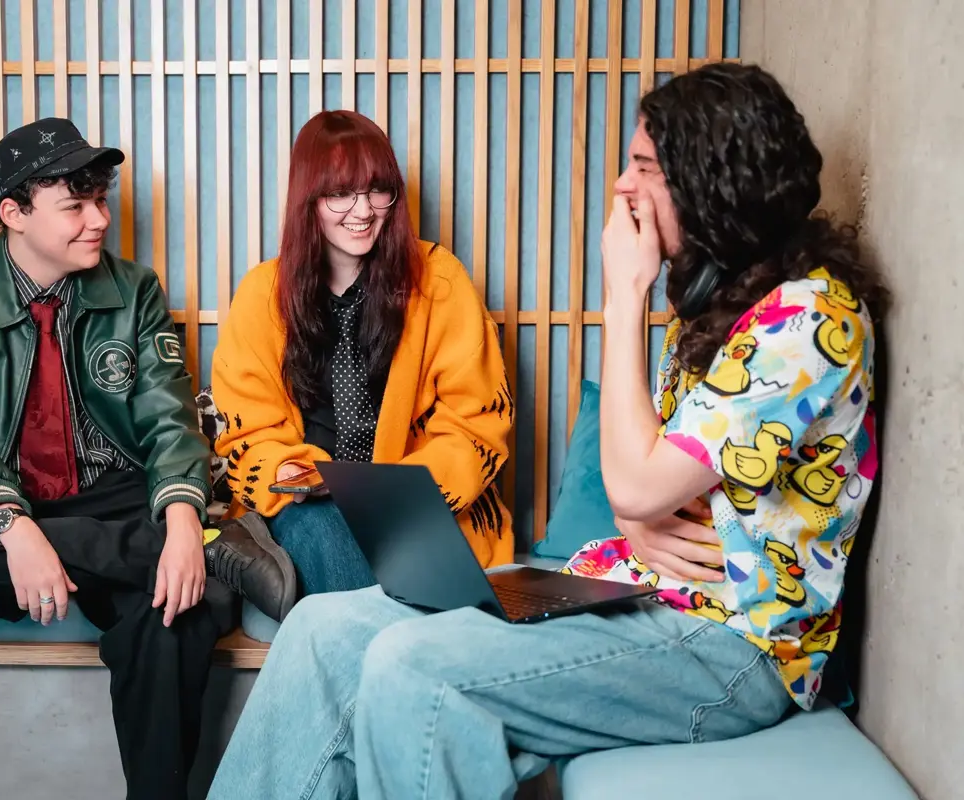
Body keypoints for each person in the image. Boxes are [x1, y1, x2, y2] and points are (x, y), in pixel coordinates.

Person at [205, 63, 888, 799]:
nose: (623, 188)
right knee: (321, 633)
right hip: (628, 584)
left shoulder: (808, 320)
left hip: (732, 641)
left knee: (412, 666)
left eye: (644, 167)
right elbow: (641, 491)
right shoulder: (723, 313)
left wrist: (624, 296)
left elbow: (634, 479)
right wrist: (642, 510)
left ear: (709, 177)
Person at [0, 117, 296, 800]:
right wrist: (16, 529)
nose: (99, 219)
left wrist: (174, 514)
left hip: (112, 491)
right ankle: (203, 544)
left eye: (101, 200)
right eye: (75, 205)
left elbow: (168, 415)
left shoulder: (133, 289)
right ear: (12, 214)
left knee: (180, 611)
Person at [210, 109, 515, 597]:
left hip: (414, 505)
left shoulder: (439, 281)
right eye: (339, 193)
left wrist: (386, 494)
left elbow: (475, 422)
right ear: (308, 197)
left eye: (377, 189)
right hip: (308, 507)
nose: (363, 210)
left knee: (401, 559)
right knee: (322, 521)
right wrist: (304, 477)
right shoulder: (263, 294)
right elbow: (250, 430)